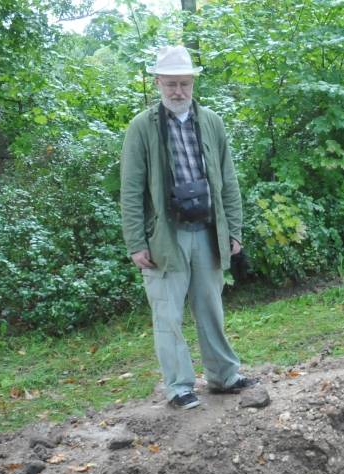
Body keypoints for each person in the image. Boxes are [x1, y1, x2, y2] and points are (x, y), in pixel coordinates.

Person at [120, 46, 258, 410]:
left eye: (184, 83)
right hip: (166, 237)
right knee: (168, 315)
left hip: (208, 232)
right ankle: (179, 386)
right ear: (158, 83)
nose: (178, 91)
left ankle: (224, 376)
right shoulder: (141, 127)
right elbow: (130, 190)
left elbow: (228, 180)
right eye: (171, 84)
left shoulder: (211, 122)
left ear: (193, 83)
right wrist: (136, 242)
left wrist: (234, 230)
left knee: (211, 308)